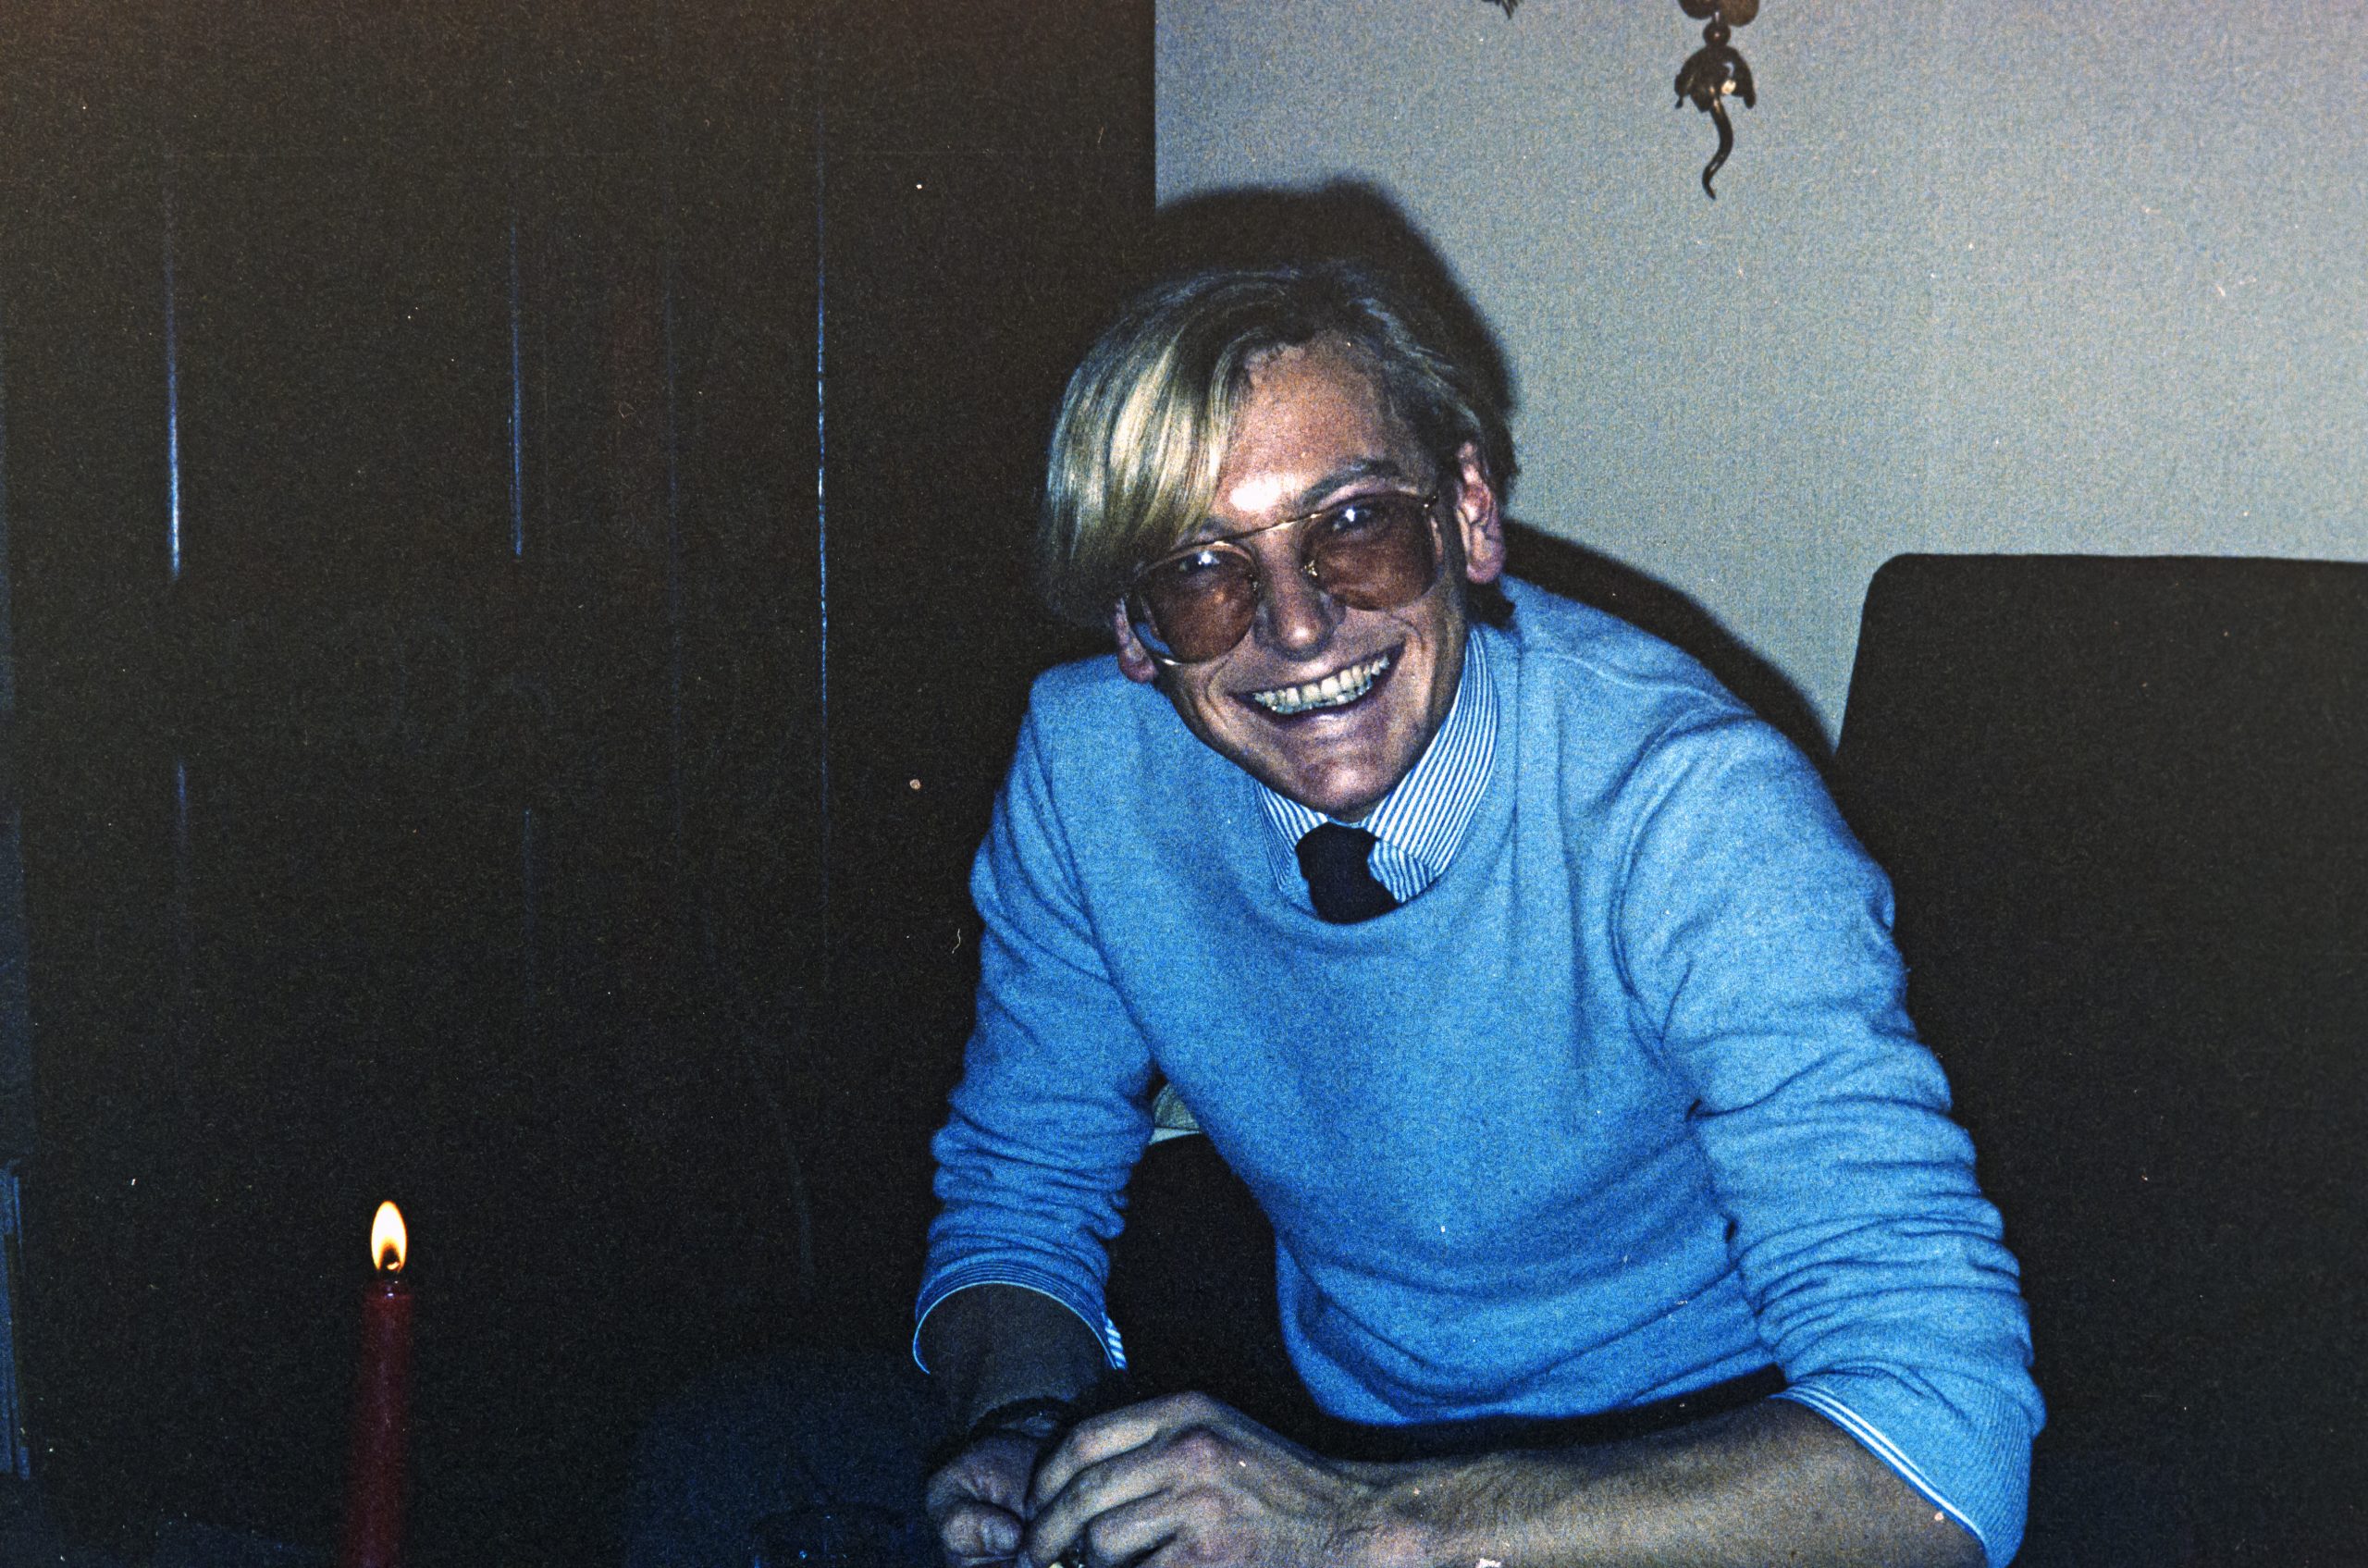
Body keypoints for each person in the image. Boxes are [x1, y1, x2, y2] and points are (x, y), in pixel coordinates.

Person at [914, 260, 2041, 1568]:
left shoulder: (1695, 809)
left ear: (1469, 516)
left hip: (1716, 1485)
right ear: (1133, 630)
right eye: (1203, 574)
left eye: (1355, 525)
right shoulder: (1086, 771)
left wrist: (1374, 1531)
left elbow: (1946, 1450)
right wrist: (1024, 1433)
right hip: (1346, 1455)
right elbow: (1020, 1191)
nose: (1298, 628)